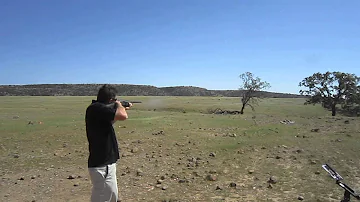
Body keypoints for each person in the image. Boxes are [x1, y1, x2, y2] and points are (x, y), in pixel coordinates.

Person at [85, 84, 132, 202]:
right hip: (101, 165)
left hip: (106, 164)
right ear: (111, 100)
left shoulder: (98, 109)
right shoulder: (96, 108)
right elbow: (123, 116)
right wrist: (120, 105)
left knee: (112, 196)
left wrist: (120, 107)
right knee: (103, 197)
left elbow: (111, 121)